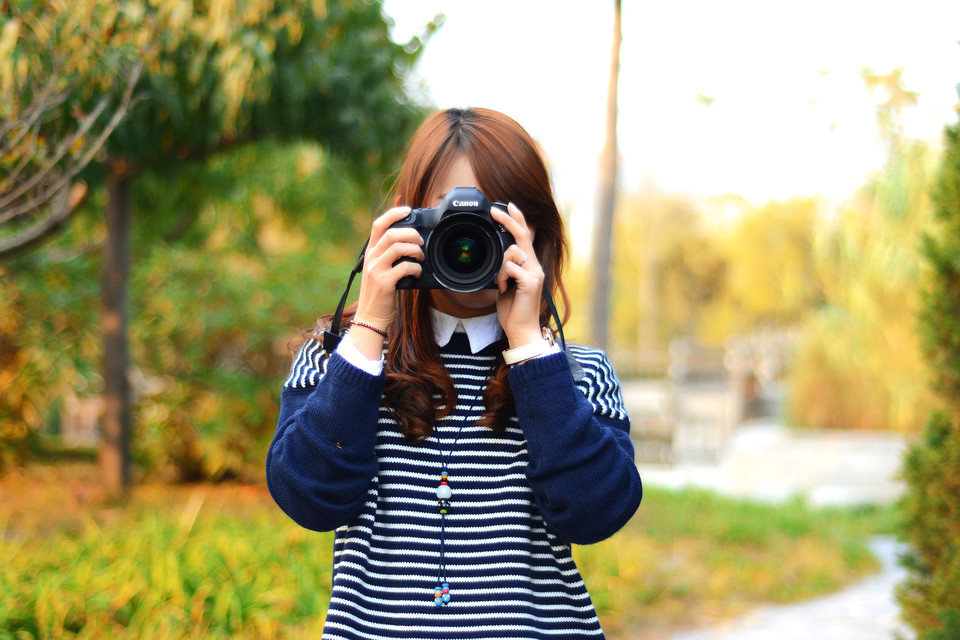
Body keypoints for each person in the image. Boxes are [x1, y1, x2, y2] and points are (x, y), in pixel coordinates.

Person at [266, 107, 642, 639]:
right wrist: (371, 323)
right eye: (448, 218)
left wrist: (532, 353)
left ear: (535, 233)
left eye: (495, 219)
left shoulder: (575, 373)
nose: (468, 241)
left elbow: (597, 513)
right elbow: (308, 499)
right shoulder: (341, 358)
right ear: (401, 225)